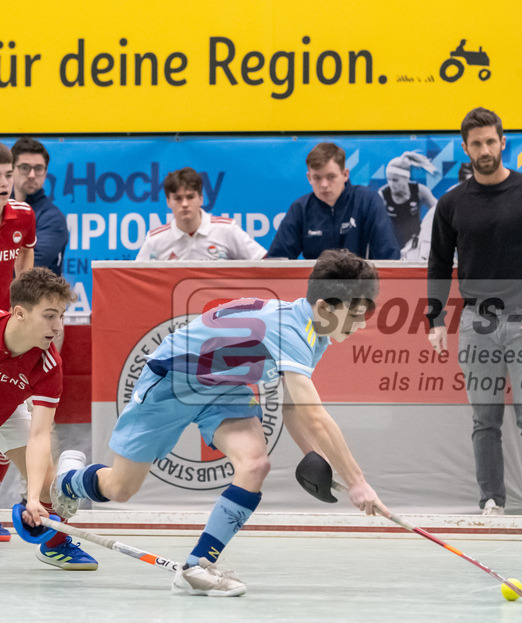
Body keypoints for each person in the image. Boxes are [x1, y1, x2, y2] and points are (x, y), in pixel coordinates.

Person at [36, 249, 389, 596]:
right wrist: (358, 483)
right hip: (173, 379)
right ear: (325, 307)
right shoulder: (291, 329)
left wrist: (315, 459)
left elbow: (295, 408)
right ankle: (70, 481)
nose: (361, 325)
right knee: (120, 489)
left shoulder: (316, 332)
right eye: (356, 315)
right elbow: (315, 414)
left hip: (224, 387)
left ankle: (197, 566)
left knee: (254, 464)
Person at [426, 107, 522, 517]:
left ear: (504, 142)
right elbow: (438, 265)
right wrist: (435, 321)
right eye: (476, 144)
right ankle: (491, 501)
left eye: (491, 141)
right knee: (484, 419)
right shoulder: (452, 204)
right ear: (466, 149)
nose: (485, 150)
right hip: (476, 324)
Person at [0, 268, 98, 568]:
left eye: (62, 316)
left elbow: (40, 435)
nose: (57, 327)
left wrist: (31, 498)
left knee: (49, 486)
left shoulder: (48, 366)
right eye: (49, 315)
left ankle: (55, 546)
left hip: (8, 412)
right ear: (20, 313)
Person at [267, 143, 400, 261]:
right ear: (309, 178)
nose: (324, 184)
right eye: (317, 178)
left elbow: (389, 258)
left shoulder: (368, 201)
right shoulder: (300, 209)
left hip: (362, 285)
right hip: (316, 287)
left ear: (345, 174)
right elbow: (277, 262)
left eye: (331, 176)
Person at [137, 168, 266, 261]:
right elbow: (136, 279)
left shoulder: (227, 230)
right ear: (168, 202)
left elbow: (265, 262)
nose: (185, 204)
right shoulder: (155, 240)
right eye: (178, 198)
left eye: (190, 197)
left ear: (201, 198)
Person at [11, 137, 69, 276]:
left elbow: (25, 270)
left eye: (38, 168)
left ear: (45, 171)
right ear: (11, 168)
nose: (32, 175)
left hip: (36, 297)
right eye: (24, 167)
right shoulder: (3, 209)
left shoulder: (53, 219)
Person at [379, 152, 437, 258]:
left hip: (414, 246)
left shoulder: (420, 191)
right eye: (388, 179)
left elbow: (439, 212)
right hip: (392, 246)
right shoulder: (383, 194)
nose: (391, 184)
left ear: (406, 178)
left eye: (395, 180)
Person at [0, 143, 36, 309]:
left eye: (8, 175)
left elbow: (26, 249)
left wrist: (22, 295)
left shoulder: (24, 214)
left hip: (7, 315)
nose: (4, 183)